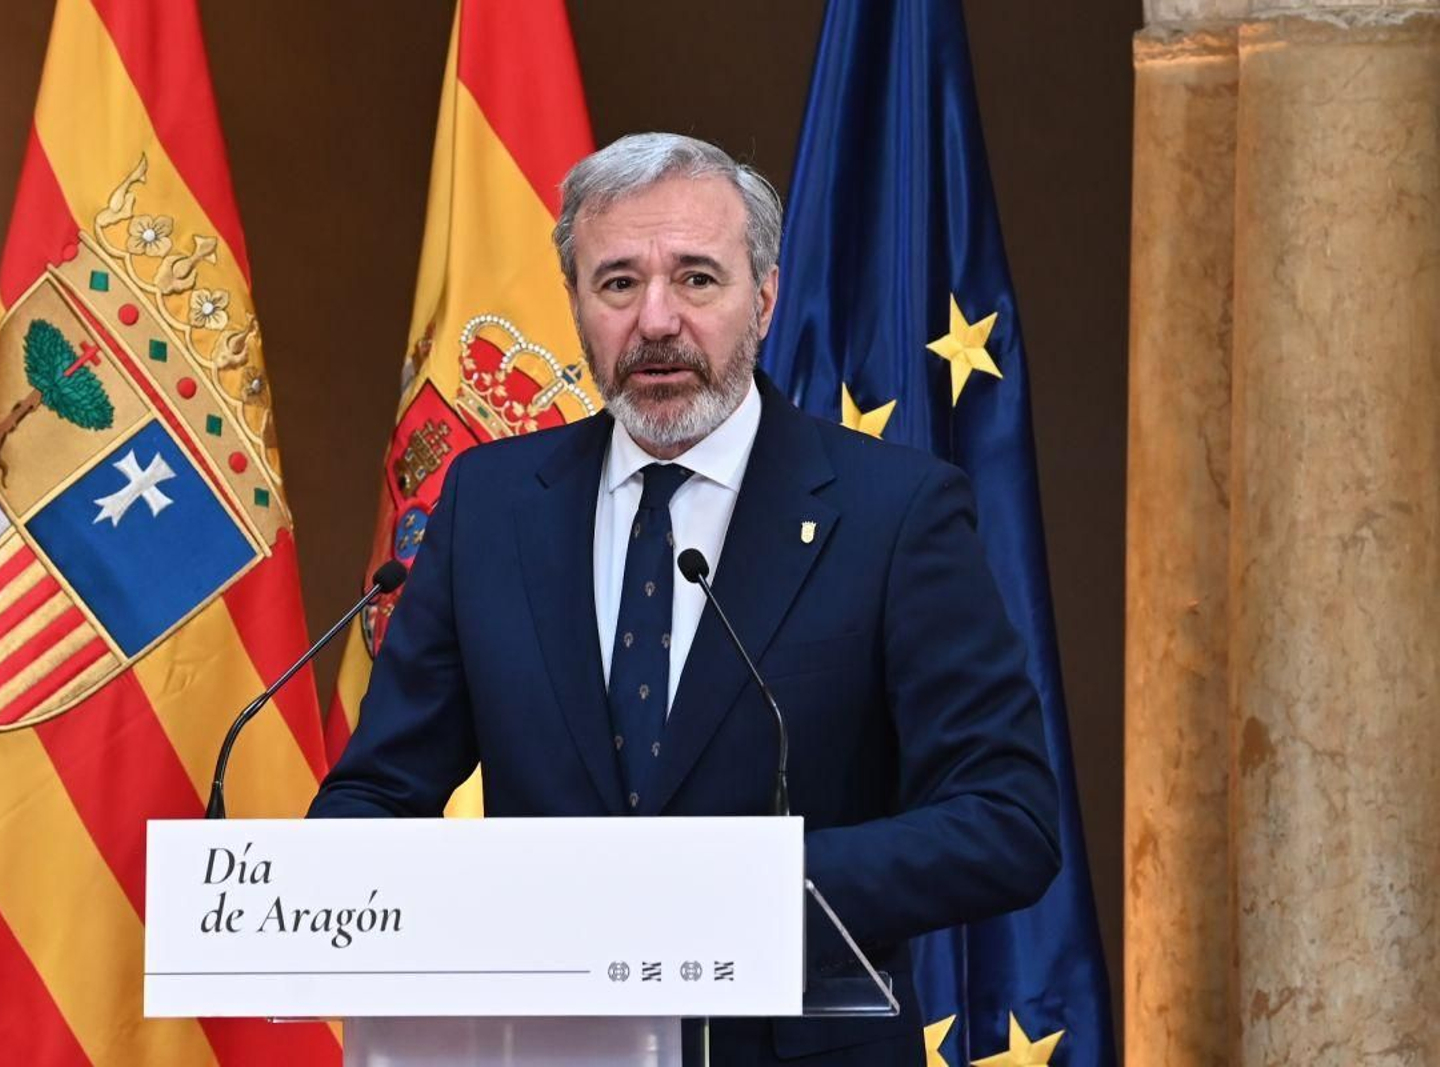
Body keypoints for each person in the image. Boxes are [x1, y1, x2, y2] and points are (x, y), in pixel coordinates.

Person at [310, 132, 1060, 1065]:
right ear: (577, 304)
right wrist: (337, 901)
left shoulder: (894, 513)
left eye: (696, 279)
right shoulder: (490, 504)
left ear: (766, 297)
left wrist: (744, 889)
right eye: (618, 283)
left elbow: (1007, 818)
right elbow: (378, 792)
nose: (656, 320)